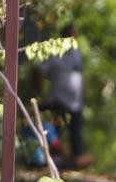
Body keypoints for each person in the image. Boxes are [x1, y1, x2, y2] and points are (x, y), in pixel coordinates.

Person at [36, 24, 91, 168]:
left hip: (76, 102)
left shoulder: (76, 53)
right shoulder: (55, 53)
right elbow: (39, 71)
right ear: (64, 36)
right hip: (58, 100)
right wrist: (41, 94)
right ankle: (53, 163)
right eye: (70, 35)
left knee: (76, 134)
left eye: (75, 35)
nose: (73, 38)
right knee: (56, 134)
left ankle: (76, 163)